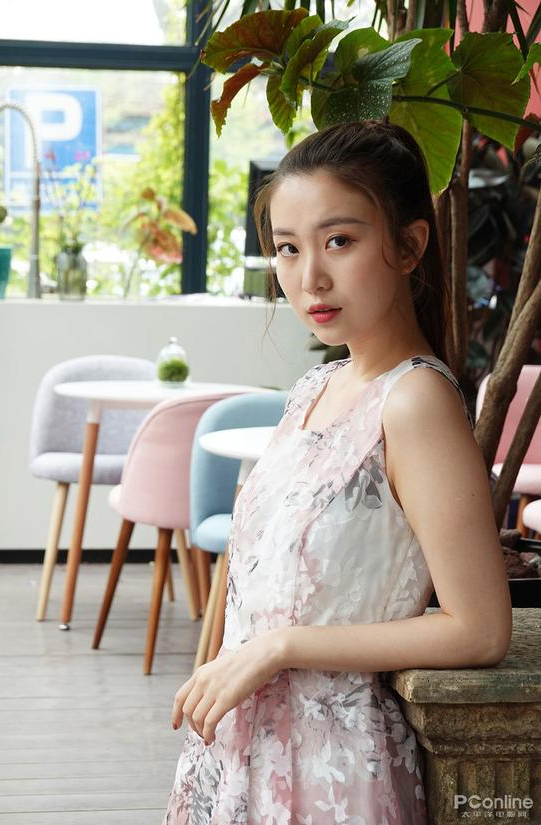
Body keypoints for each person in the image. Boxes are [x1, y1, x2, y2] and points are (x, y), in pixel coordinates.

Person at [161, 120, 512, 824]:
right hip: (238, 759)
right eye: (288, 248)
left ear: (409, 245)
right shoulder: (314, 389)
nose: (309, 278)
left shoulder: (415, 402)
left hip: (330, 773)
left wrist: (281, 648)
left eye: (339, 241)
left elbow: (479, 628)